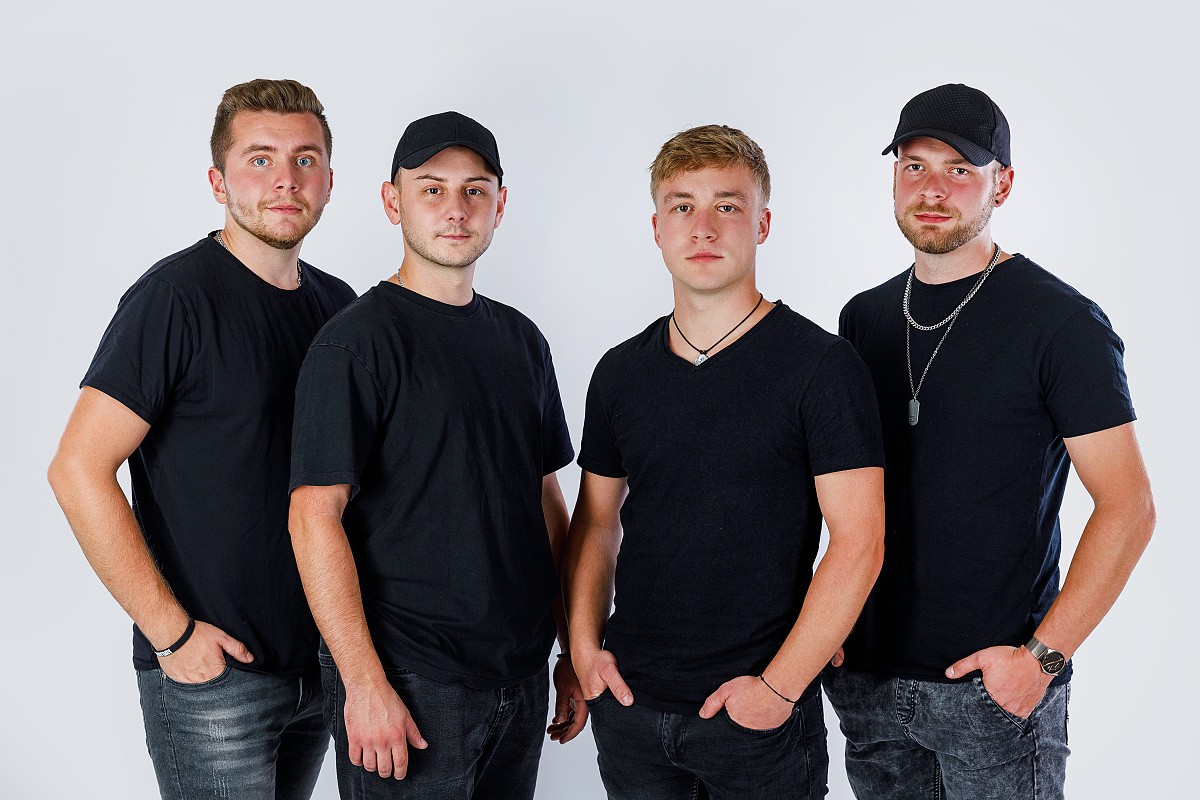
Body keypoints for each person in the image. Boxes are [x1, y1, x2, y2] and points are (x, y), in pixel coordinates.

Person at [824, 83, 1156, 799]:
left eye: (959, 169)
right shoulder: (863, 319)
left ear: (1001, 185)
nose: (932, 189)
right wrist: (827, 627)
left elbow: (1128, 506)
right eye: (914, 166)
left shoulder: (1062, 323)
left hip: (991, 691)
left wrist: (1042, 660)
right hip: (869, 685)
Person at [47, 78, 356, 799]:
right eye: (260, 159)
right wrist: (173, 634)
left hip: (322, 668)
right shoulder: (173, 298)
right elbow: (77, 469)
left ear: (329, 182)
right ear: (218, 181)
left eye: (305, 159)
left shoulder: (339, 308)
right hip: (214, 679)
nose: (285, 179)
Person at [565, 124, 886, 800]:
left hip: (759, 720)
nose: (703, 227)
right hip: (631, 710)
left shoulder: (822, 367)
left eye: (728, 206)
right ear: (657, 228)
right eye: (682, 206)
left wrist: (780, 689)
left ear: (763, 224)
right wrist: (584, 648)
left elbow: (860, 540)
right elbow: (596, 523)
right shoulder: (620, 372)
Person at [287, 111, 583, 800]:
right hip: (410, 683)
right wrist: (364, 684)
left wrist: (573, 646)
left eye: (475, 190)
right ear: (392, 202)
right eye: (431, 189)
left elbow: (547, 503)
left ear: (500, 206)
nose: (456, 209)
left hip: (519, 677)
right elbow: (312, 518)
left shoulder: (522, 341)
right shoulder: (355, 344)